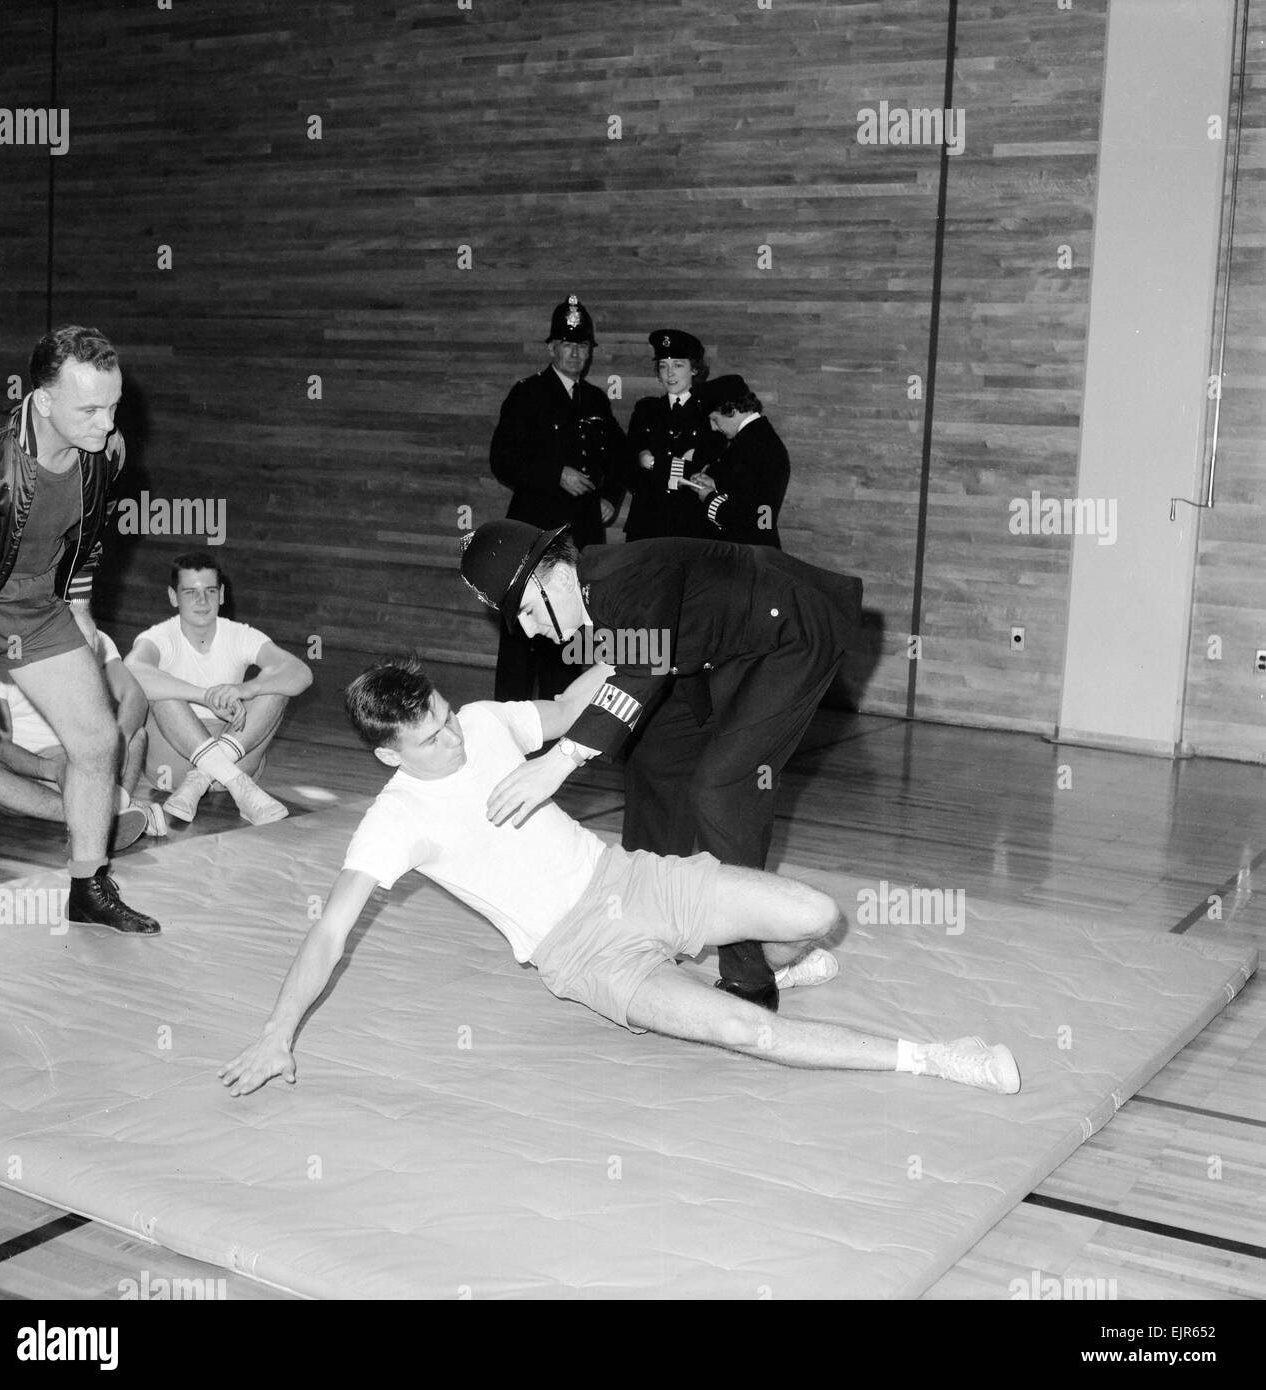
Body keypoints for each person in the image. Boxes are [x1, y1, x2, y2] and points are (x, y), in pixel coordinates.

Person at [218, 655, 1021, 1099]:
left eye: (444, 719)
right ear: (390, 753)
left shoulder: (482, 721)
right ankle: (939, 1058)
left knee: (815, 911)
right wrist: (275, 1031)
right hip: (584, 956)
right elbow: (329, 931)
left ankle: (740, 963)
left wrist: (631, 627)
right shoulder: (392, 821)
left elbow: (573, 709)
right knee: (747, 1032)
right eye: (428, 742)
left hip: (630, 878)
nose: (452, 743)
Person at [460, 521, 865, 1011]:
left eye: (526, 609)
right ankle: (647, 930)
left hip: (792, 631)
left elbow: (644, 666)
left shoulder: (627, 578)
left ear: (561, 580)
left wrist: (561, 759)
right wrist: (558, 722)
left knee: (724, 788)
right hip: (723, 647)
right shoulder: (591, 596)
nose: (528, 629)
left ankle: (749, 979)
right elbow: (616, 668)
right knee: (655, 758)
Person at [0, 325, 160, 933]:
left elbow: (87, 545)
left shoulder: (106, 452)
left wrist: (80, 614)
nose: (107, 423)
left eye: (113, 405)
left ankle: (87, 885)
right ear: (42, 400)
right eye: (91, 409)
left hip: (35, 609)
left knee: (99, 741)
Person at [488, 293, 628, 701]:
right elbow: (503, 460)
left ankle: (560, 713)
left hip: (579, 531)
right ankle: (510, 714)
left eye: (582, 346)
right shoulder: (527, 394)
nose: (575, 353)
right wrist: (555, 475)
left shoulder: (596, 400)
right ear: (552, 348)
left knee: (569, 627)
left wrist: (610, 497)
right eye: (568, 344)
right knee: (522, 626)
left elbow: (616, 458)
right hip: (536, 530)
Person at [125, 551, 312, 825]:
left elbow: (300, 672)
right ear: (173, 597)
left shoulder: (240, 634)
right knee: (163, 692)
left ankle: (201, 779)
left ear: (221, 595)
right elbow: (131, 670)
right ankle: (237, 785)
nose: (202, 601)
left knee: (276, 688)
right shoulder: (159, 636)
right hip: (174, 757)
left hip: (235, 751)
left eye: (210, 591)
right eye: (190, 592)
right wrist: (204, 697)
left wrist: (247, 688)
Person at [0, 628, 166, 849]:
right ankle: (107, 815)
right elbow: (0, 747)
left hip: (88, 757)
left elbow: (135, 697)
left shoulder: (92, 636)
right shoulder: (3, 650)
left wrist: (120, 741)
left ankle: (106, 810)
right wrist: (51, 769)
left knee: (136, 735)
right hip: (32, 771)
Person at [624, 328, 721, 542]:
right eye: (663, 366)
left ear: (694, 369)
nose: (669, 374)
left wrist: (652, 464)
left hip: (691, 525)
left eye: (678, 365)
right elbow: (629, 465)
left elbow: (706, 470)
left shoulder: (710, 413)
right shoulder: (646, 410)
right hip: (646, 523)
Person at [679, 373, 790, 548]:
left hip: (746, 551)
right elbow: (744, 491)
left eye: (715, 420)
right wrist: (715, 485)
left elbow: (750, 516)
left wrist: (708, 497)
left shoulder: (754, 445)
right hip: (753, 549)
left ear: (732, 410)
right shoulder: (756, 439)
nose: (714, 428)